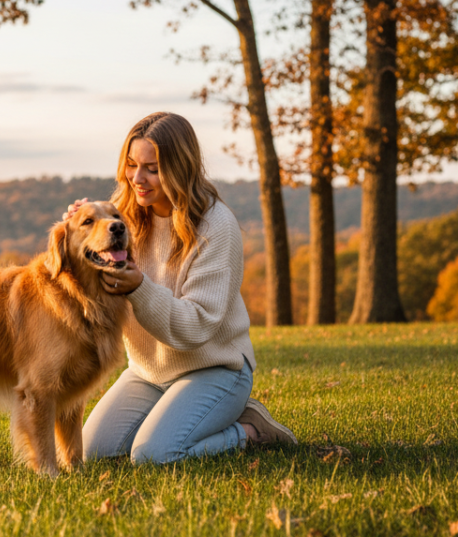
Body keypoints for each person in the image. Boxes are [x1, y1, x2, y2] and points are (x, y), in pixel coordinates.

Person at [65, 112, 296, 465]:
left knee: (154, 455)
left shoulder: (217, 226)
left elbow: (196, 327)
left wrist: (139, 288)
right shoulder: (123, 216)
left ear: (179, 168)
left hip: (214, 369)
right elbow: (80, 279)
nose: (137, 179)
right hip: (147, 373)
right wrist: (79, 231)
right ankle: (174, 414)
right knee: (92, 453)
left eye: (152, 169)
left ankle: (249, 431)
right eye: (131, 165)